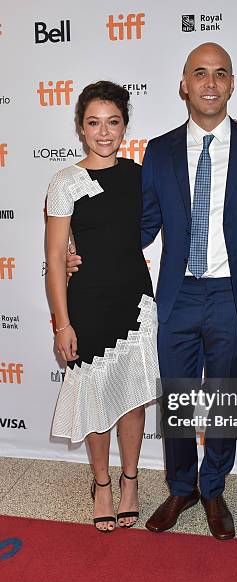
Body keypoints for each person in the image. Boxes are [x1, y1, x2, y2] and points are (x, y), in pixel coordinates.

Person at [67, 43, 237, 539]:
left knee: (223, 398)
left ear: (232, 84)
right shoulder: (158, 151)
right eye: (199, 73)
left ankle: (213, 488)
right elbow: (140, 227)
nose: (209, 82)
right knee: (178, 399)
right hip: (177, 295)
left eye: (220, 73)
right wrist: (79, 251)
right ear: (184, 84)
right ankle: (181, 486)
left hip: (233, 296)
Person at [46, 81, 160, 533]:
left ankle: (130, 480)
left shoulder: (139, 175)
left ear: (125, 126)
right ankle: (101, 485)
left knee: (132, 397)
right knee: (95, 398)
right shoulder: (64, 182)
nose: (104, 132)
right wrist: (62, 323)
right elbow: (56, 258)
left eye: (113, 122)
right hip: (88, 303)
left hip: (135, 301)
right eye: (94, 122)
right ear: (80, 128)